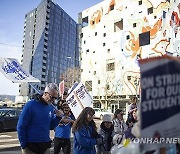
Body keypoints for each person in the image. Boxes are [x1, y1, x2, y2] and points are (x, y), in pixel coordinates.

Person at [17, 83, 63, 154]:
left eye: (55, 98)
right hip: (30, 146)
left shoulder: (50, 107)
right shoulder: (31, 105)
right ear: (45, 93)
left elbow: (50, 126)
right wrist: (24, 145)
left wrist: (58, 118)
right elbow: (21, 126)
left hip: (45, 145)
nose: (53, 100)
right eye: (52, 97)